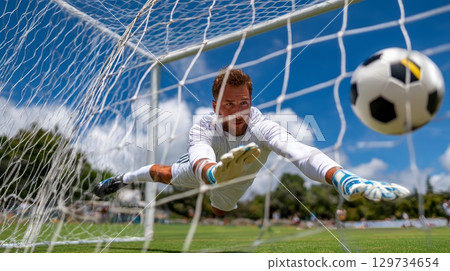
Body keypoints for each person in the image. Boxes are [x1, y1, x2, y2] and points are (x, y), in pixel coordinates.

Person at [93, 67, 410, 216]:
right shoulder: (202, 125)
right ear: (215, 106)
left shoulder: (263, 124)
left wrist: (340, 176)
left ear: (251, 100)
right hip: (209, 171)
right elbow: (200, 153)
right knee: (164, 174)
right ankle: (121, 178)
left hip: (239, 178)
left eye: (242, 102)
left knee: (220, 212)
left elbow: (299, 152)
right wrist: (213, 173)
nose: (236, 111)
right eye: (228, 105)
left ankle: (220, 194)